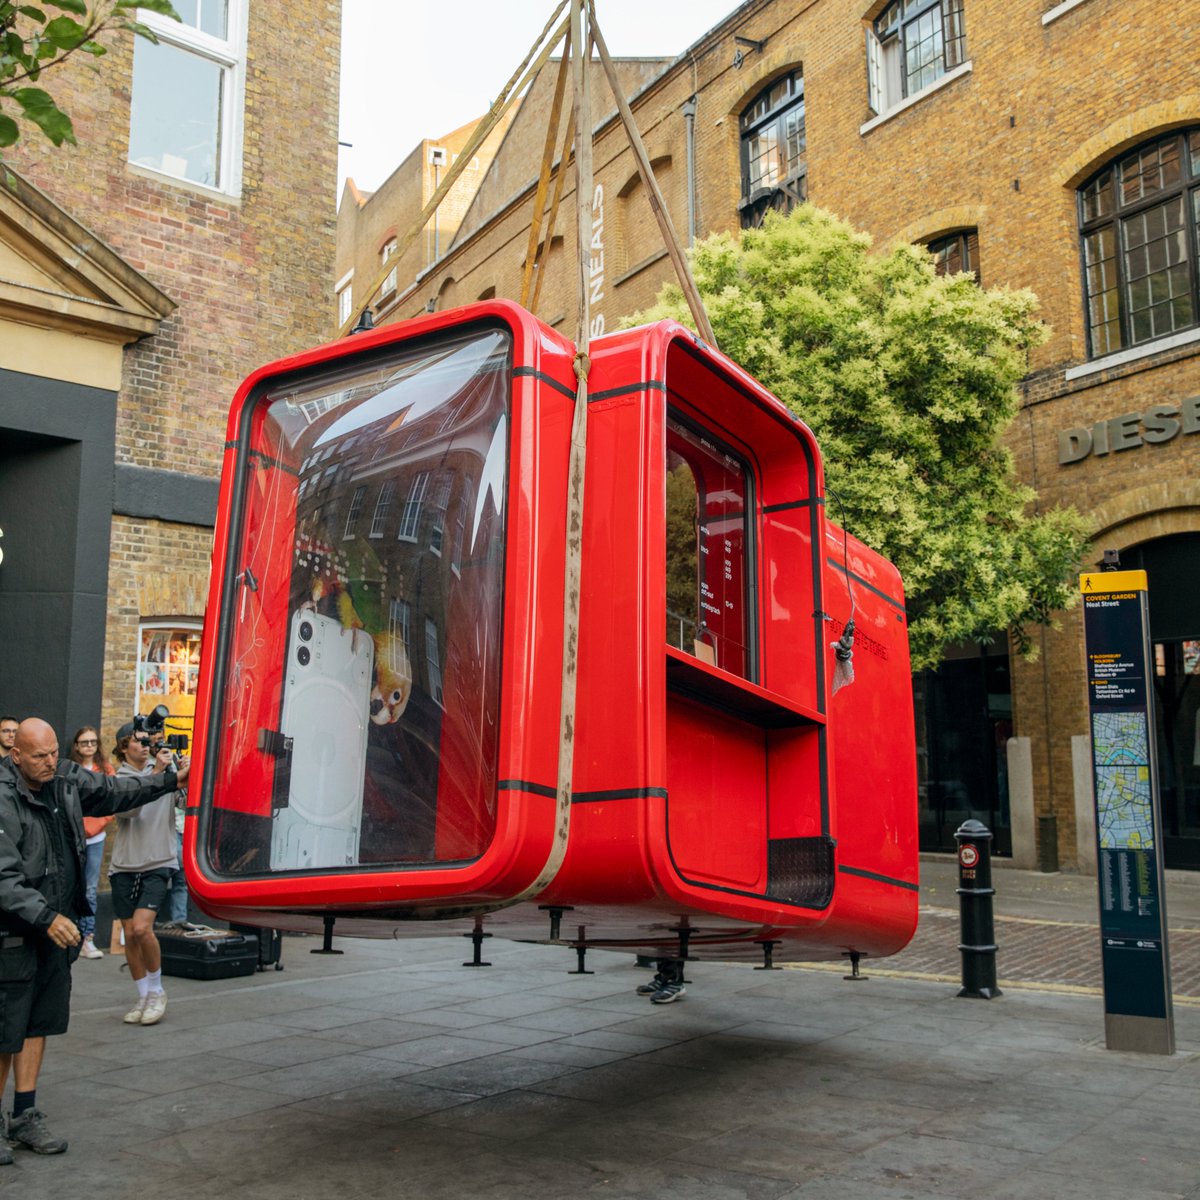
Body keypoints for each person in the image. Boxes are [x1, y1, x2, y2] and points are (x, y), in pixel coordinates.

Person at [0, 718, 187, 1159]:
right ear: (15, 755)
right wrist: (45, 916)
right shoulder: (3, 797)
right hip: (13, 933)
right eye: (39, 757)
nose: (50, 763)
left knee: (36, 1025)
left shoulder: (63, 777)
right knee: (6, 1030)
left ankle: (24, 1115)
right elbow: (3, 879)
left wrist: (167, 780)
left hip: (53, 928)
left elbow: (113, 792)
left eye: (52, 754)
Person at [110, 725, 184, 1027]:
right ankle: (142, 995)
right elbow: (130, 810)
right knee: (130, 934)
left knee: (142, 929)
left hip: (159, 860)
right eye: (138, 742)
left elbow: (185, 803)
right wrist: (157, 775)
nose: (145, 746)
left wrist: (183, 774)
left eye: (148, 742)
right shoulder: (119, 778)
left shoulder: (165, 771)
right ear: (123, 747)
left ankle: (157, 990)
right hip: (124, 864)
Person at [68, 728, 115, 960]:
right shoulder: (70, 770)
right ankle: (70, 937)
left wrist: (93, 827)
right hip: (73, 838)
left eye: (93, 742)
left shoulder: (105, 771)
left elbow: (112, 804)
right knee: (69, 886)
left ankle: (88, 937)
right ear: (76, 745)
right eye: (84, 742)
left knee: (90, 889)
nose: (88, 746)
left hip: (95, 838)